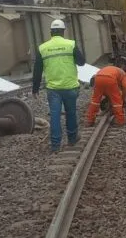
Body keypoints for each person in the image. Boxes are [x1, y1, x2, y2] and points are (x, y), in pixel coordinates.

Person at [32, 18, 86, 153]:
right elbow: (81, 62)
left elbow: (37, 70)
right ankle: (72, 139)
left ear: (51, 32)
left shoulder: (43, 48)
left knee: (55, 116)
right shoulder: (70, 44)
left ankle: (55, 146)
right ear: (63, 32)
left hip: (53, 89)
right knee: (71, 113)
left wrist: (35, 88)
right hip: (70, 86)